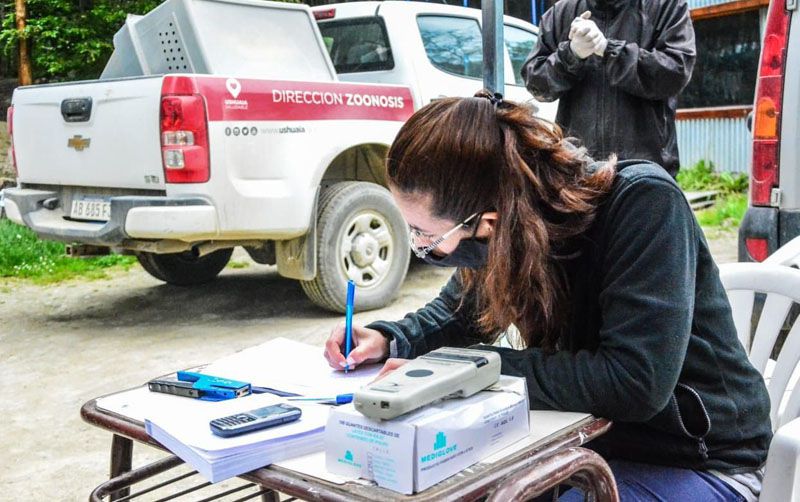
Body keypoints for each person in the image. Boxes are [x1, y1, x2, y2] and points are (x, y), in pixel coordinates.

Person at [323, 91, 771, 501]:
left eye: (424, 234)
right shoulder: (512, 223)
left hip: (701, 458)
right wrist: (390, 338)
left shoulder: (644, 206)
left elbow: (634, 382)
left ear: (487, 223)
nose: (421, 247)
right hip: (593, 445)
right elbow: (461, 311)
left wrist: (459, 371)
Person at [523, 0, 696, 178]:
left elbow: (676, 71)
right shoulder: (561, 13)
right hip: (577, 171)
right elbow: (536, 83)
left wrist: (608, 50)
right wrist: (571, 54)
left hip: (645, 171)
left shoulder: (666, 6)